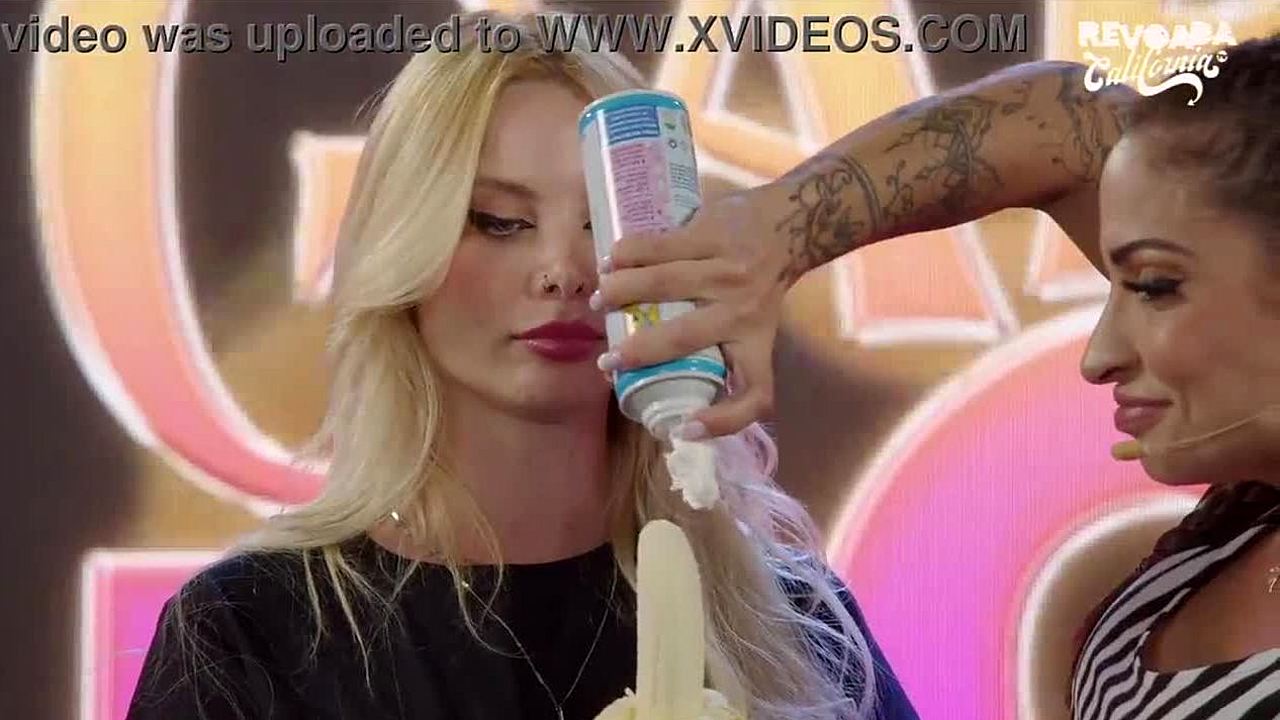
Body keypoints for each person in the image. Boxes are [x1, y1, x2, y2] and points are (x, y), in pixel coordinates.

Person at [124, 11, 918, 720]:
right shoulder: (253, 636)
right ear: (407, 248)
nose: (563, 271)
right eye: (502, 222)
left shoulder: (787, 623)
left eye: (601, 225)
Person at [596, 32, 1280, 720]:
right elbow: (1067, 117)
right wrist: (775, 233)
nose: (1097, 356)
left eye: (1155, 285)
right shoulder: (1251, 516)